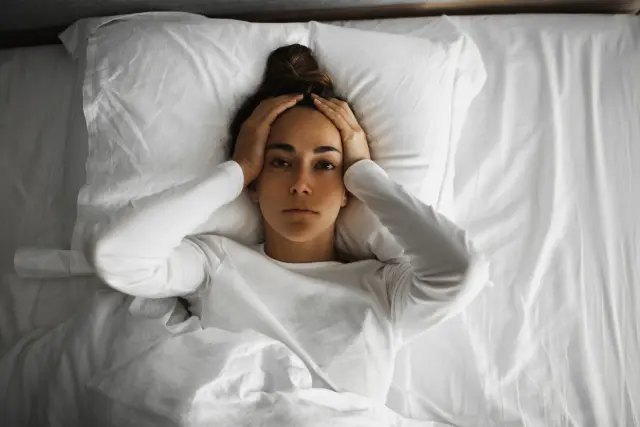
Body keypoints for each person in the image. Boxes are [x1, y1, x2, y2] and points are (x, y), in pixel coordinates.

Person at [88, 44, 487, 404]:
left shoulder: (384, 288)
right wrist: (236, 171)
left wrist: (366, 174)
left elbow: (461, 271)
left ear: (347, 187)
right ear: (255, 184)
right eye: (280, 162)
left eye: (325, 165)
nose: (300, 184)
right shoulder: (217, 263)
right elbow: (115, 256)